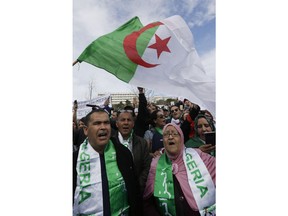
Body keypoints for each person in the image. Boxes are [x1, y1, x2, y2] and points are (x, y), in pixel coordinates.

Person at [73, 109, 142, 216]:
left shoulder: (123, 153)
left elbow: (135, 192)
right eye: (97, 123)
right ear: (86, 130)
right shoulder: (75, 160)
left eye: (106, 123)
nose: (103, 127)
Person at [143, 123, 216, 216]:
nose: (170, 137)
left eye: (174, 134)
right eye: (166, 134)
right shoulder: (155, 164)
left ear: (181, 139)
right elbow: (148, 202)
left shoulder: (198, 155)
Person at [113, 108, 152, 196]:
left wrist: (138, 185)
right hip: (116, 192)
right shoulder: (110, 143)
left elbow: (147, 166)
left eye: (129, 120)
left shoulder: (142, 143)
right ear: (117, 124)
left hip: (137, 191)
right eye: (122, 120)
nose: (126, 123)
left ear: (133, 124)